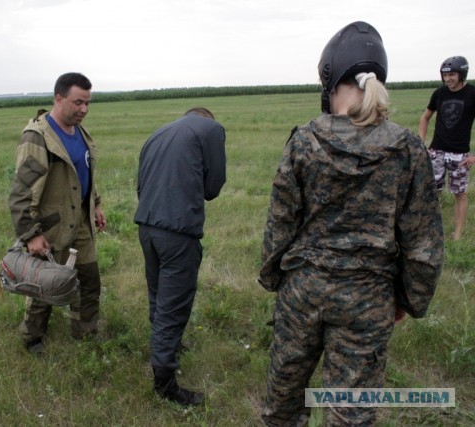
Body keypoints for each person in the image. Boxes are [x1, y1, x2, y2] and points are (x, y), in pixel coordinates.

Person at [259, 21, 444, 426]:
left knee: (283, 405)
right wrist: (408, 300)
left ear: (329, 77)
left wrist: (274, 277)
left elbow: (279, 222)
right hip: (368, 299)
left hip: (303, 293)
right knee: (351, 414)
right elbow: (423, 244)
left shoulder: (304, 140)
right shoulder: (407, 148)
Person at [8, 72, 107, 353]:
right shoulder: (37, 138)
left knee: (89, 282)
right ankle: (32, 337)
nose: (84, 110)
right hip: (51, 228)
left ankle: (84, 334)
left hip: (82, 223)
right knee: (43, 287)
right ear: (59, 98)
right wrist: (30, 235)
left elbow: (84, 174)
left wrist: (96, 203)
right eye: (78, 102)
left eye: (88, 103)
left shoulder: (80, 132)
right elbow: (22, 193)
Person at [134, 107, 226, 406]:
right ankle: (164, 383)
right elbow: (212, 189)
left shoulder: (156, 134)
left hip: (147, 226)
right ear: (205, 119)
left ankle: (165, 346)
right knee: (174, 305)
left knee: (158, 295)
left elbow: (140, 185)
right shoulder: (210, 130)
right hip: (178, 232)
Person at [419, 56, 475, 240]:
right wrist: (422, 143)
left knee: (460, 194)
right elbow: (425, 117)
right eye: (445, 75)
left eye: (451, 75)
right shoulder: (439, 93)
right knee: (432, 192)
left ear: (462, 74)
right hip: (437, 152)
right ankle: (430, 228)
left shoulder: (472, 94)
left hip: (460, 155)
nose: (447, 79)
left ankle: (458, 234)